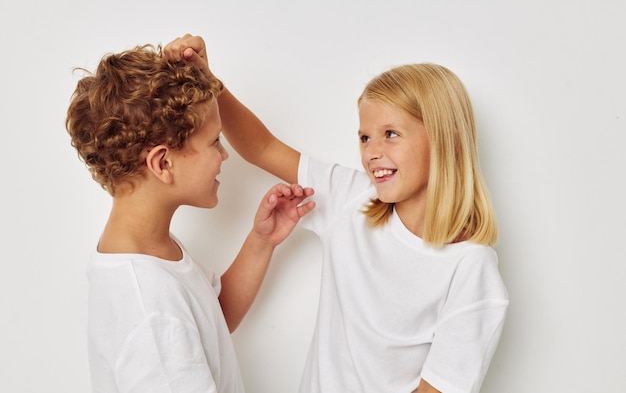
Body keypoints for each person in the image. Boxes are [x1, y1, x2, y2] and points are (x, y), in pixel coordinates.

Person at [164, 34, 509, 393]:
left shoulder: (472, 269)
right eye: (364, 138)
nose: (372, 152)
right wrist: (207, 80)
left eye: (391, 134)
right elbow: (261, 146)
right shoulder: (353, 199)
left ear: (447, 141)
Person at [66, 43, 315, 393]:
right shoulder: (149, 308)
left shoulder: (149, 250)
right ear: (163, 163)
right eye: (214, 141)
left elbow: (212, 317)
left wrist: (261, 241)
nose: (224, 154)